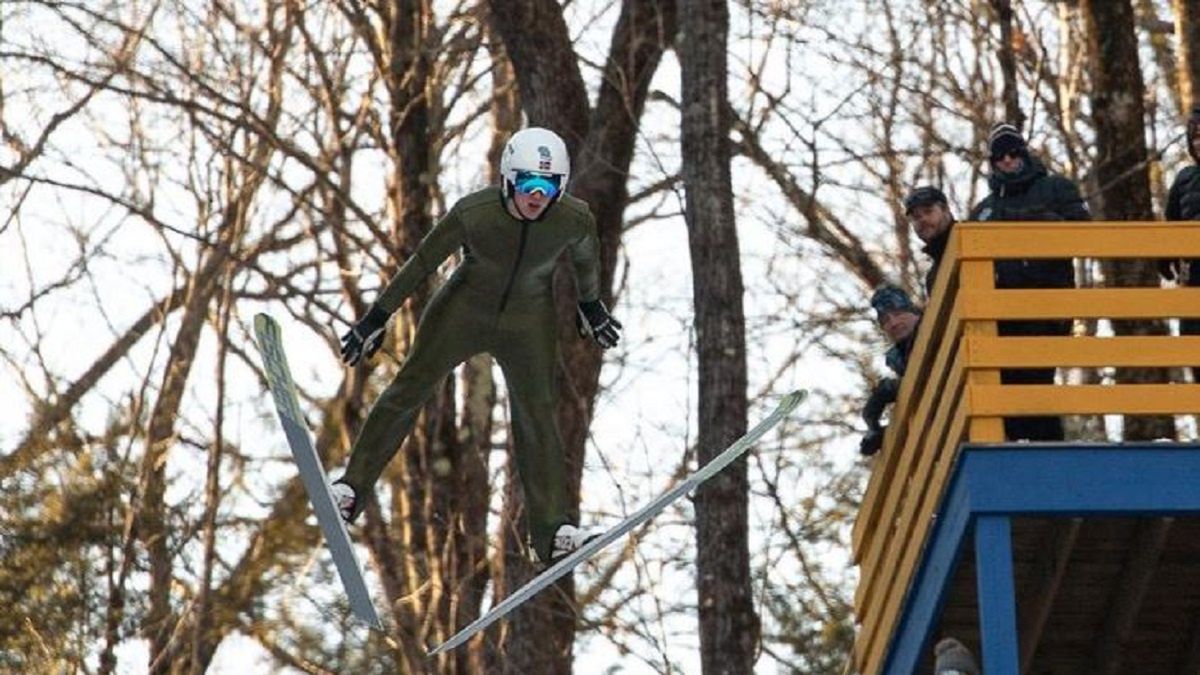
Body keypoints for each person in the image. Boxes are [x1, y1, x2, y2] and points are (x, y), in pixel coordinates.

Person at [333, 127, 622, 564]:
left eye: (549, 187)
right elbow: (423, 262)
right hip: (463, 310)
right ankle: (350, 489)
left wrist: (591, 304)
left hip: (528, 321)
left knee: (539, 414)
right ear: (508, 179)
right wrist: (378, 316)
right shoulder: (475, 212)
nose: (537, 196)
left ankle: (551, 534)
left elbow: (586, 256)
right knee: (410, 386)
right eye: (529, 183)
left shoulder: (573, 218)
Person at [968, 122, 1088, 442]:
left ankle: (1047, 449)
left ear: (1023, 153)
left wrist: (1045, 224)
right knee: (1006, 386)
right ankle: (1018, 450)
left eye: (1012, 153)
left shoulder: (1055, 188)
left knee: (1036, 380)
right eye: (999, 157)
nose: (1007, 160)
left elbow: (1084, 230)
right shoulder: (985, 210)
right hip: (1002, 310)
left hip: (1047, 302)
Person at [1161, 105, 1200, 379]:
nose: (1199, 143)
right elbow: (1171, 223)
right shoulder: (1185, 179)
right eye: (1195, 137)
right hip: (1195, 276)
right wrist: (1166, 256)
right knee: (1194, 345)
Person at [860, 285, 922, 456]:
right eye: (885, 320)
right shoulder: (899, 358)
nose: (893, 323)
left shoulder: (936, 325)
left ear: (914, 313)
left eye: (898, 313)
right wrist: (876, 429)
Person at [904, 185, 956, 297]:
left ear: (945, 210)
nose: (923, 219)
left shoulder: (972, 239)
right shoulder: (933, 278)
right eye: (916, 217)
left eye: (928, 212)